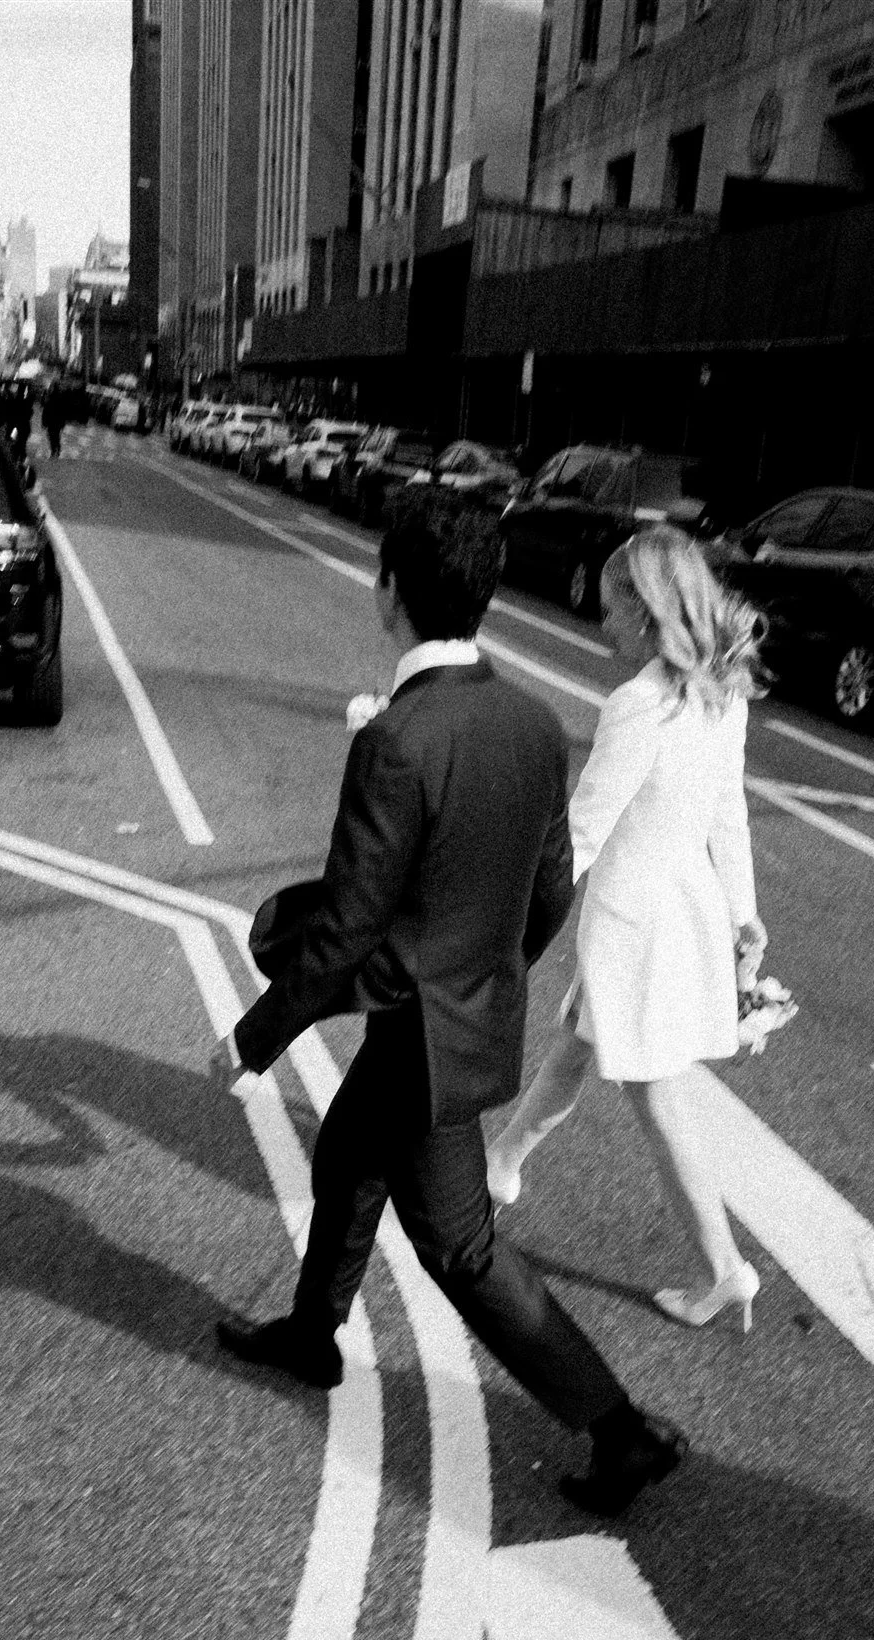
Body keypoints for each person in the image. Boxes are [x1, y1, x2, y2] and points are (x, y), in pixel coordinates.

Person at [209, 495, 685, 1520]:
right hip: (454, 1017)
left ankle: (622, 1428)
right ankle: (311, 1330)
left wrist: (255, 1039)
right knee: (345, 1152)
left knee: (460, 1246)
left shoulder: (398, 740)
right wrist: (484, 970)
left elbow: (343, 924)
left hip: (425, 1038)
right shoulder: (530, 720)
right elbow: (552, 881)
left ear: (389, 591)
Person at [485, 522, 769, 1330]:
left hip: (633, 925)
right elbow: (728, 817)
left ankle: (724, 1271)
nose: (599, 623)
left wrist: (513, 918)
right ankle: (502, 1164)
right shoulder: (721, 692)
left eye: (611, 609)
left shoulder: (640, 704)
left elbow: (583, 830)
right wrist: (744, 911)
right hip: (684, 910)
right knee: (577, 1042)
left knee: (658, 1101)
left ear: (646, 614)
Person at [41, 377, 66, 459]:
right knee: (55, 435)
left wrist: (44, 421)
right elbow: (63, 411)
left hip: (52, 419)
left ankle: (54, 450)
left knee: (52, 435)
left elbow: (46, 409)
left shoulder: (50, 396)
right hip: (56, 420)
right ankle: (56, 449)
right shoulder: (61, 396)